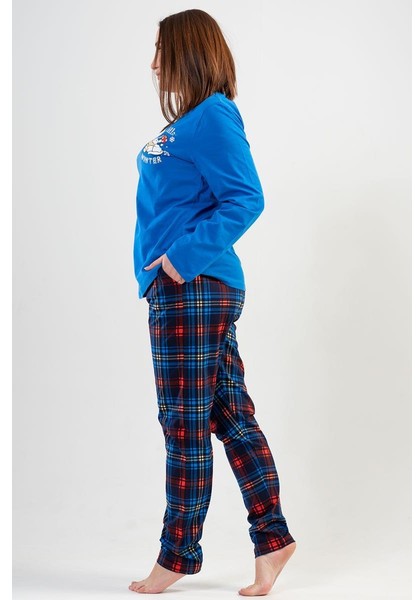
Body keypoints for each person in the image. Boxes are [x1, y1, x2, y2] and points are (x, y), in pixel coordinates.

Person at [129, 9, 296, 596]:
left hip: (193, 288)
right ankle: (274, 540)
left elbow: (246, 197)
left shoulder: (213, 115)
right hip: (189, 288)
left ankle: (177, 554)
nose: (153, 63)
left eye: (162, 50)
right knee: (231, 417)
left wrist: (179, 259)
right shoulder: (192, 121)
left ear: (189, 52)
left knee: (184, 423)